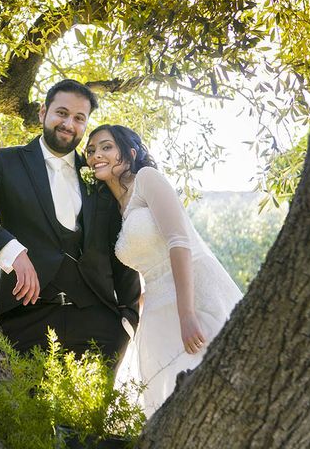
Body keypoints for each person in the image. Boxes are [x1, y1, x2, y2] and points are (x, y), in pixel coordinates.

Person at [0, 80, 141, 366]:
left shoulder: (98, 173)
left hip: (100, 324)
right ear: (42, 112)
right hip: (25, 320)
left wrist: (128, 318)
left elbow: (121, 245)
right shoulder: (5, 162)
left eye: (78, 118)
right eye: (62, 113)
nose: (68, 124)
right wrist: (11, 251)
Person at [85, 124, 243, 416]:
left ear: (130, 153)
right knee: (172, 404)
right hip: (157, 309)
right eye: (91, 150)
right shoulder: (116, 210)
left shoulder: (147, 179)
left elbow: (179, 242)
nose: (96, 155)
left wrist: (187, 315)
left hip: (195, 294)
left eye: (106, 147)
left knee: (218, 390)